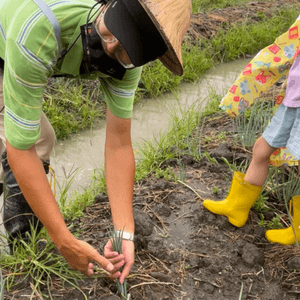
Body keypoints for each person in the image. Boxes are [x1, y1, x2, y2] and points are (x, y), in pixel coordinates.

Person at [0, 0, 191, 283]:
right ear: (108, 4)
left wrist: (124, 232)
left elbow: (119, 144)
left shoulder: (129, 63)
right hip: (12, 43)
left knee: (38, 141)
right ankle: (24, 251)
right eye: (110, 31)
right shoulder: (39, 27)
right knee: (24, 144)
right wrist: (64, 240)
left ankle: (24, 247)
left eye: (126, 49)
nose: (112, 47)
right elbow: (20, 149)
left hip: (27, 49)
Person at [203, 14, 300, 246]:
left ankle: (298, 229)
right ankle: (237, 208)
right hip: (294, 100)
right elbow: (288, 49)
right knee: (261, 149)